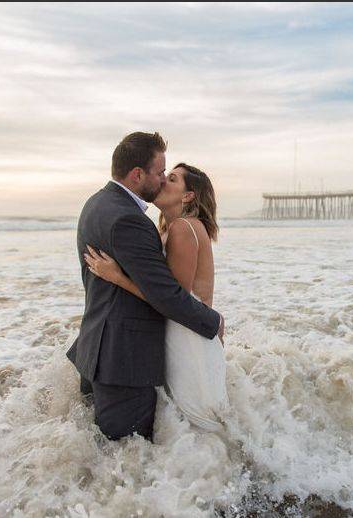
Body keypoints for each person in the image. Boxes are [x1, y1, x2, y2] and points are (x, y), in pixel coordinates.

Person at [66, 132, 224, 441]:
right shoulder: (136, 220)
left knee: (181, 431)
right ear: (138, 174)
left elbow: (170, 296)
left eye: (171, 177)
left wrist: (118, 278)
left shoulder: (97, 204)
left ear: (189, 196)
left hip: (124, 346)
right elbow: (166, 296)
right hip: (123, 357)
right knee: (139, 446)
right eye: (161, 172)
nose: (163, 180)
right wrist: (212, 320)